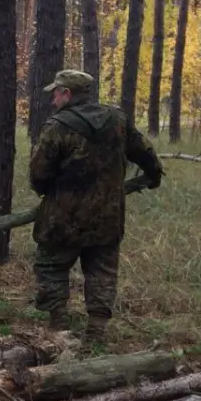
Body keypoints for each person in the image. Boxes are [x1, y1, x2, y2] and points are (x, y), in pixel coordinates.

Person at [29, 69, 164, 343]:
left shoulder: (57, 126)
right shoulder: (117, 120)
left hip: (63, 217)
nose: (53, 98)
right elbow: (145, 152)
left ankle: (58, 324)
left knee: (52, 267)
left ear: (67, 94)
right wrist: (153, 175)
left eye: (56, 92)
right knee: (102, 271)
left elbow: (39, 175)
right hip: (108, 216)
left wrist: (48, 192)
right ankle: (96, 331)